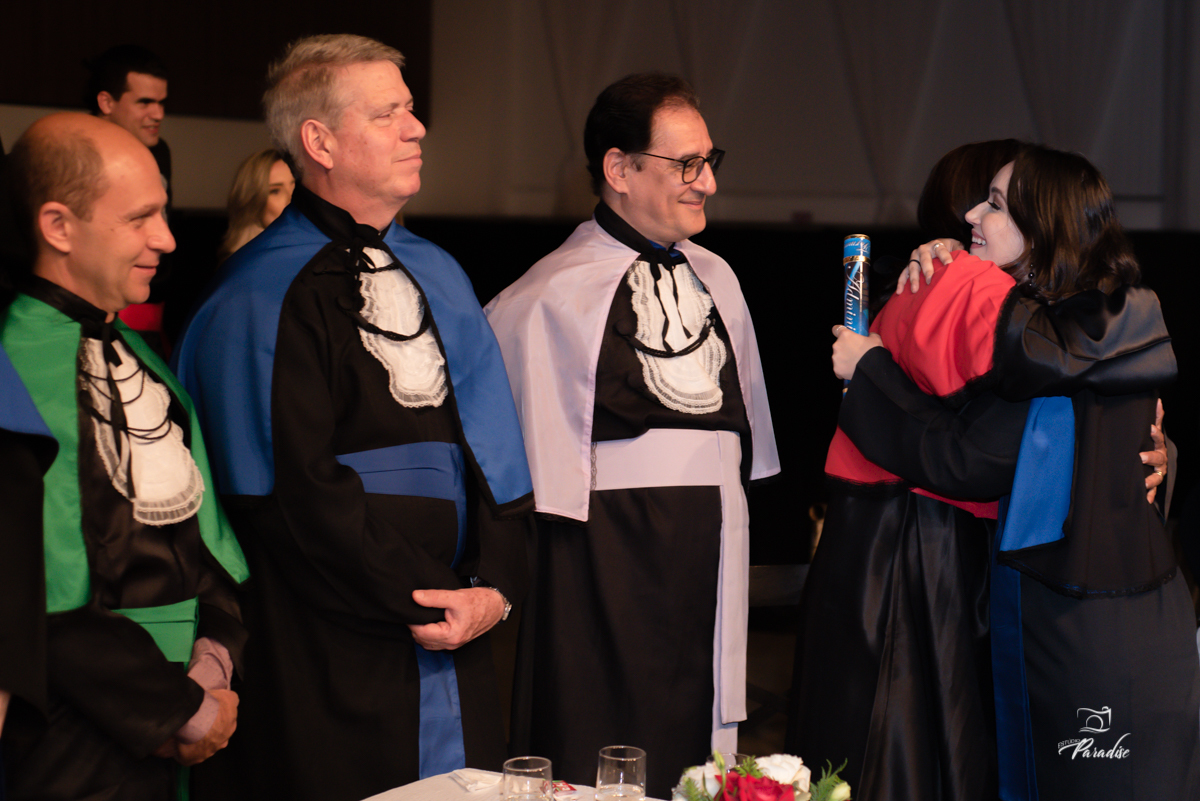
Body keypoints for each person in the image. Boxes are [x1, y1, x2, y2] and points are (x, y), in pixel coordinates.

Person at [171, 34, 533, 801]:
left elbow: (498, 452)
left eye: (411, 109)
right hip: (328, 643)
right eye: (387, 113)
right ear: (320, 141)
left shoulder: (441, 271)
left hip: (460, 624)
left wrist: (495, 588)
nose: (417, 127)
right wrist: (429, 593)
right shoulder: (255, 294)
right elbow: (290, 493)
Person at [820, 145, 1199, 800]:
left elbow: (962, 459)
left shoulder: (1054, 344)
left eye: (994, 205)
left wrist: (871, 368)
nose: (971, 215)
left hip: (1084, 632)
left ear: (1043, 226)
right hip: (1131, 615)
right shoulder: (1105, 319)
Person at [485, 73, 779, 797]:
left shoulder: (720, 278)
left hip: (710, 544)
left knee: (699, 745)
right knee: (599, 736)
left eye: (710, 160)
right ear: (619, 169)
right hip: (602, 557)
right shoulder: (548, 293)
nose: (707, 182)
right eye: (687, 164)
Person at [0, 112, 249, 801]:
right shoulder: (14, 371)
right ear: (58, 226)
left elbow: (208, 544)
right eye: (140, 218)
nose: (167, 239)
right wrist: (179, 708)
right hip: (71, 738)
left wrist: (214, 663)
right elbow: (35, 594)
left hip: (190, 709)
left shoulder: (142, 356)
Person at [85, 45, 173, 355]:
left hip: (152, 311)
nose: (158, 114)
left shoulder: (159, 152)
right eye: (145, 102)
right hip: (96, 316)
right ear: (106, 102)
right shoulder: (78, 153)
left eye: (161, 102)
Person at [217, 149, 295, 262]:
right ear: (253, 201)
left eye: (296, 187)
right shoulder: (244, 265)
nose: (292, 199)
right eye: (275, 191)